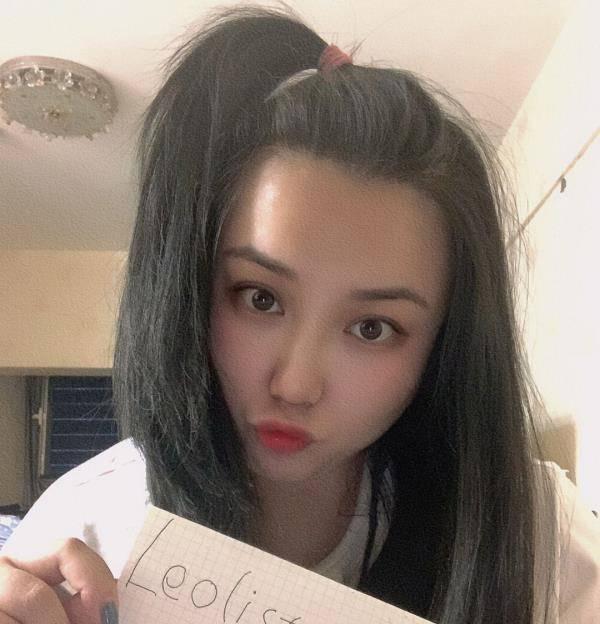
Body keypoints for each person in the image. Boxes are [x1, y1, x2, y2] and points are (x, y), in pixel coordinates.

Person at [1, 4, 599, 624]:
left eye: (372, 328)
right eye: (260, 298)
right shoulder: (89, 529)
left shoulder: (538, 542)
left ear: (443, 344)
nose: (294, 385)